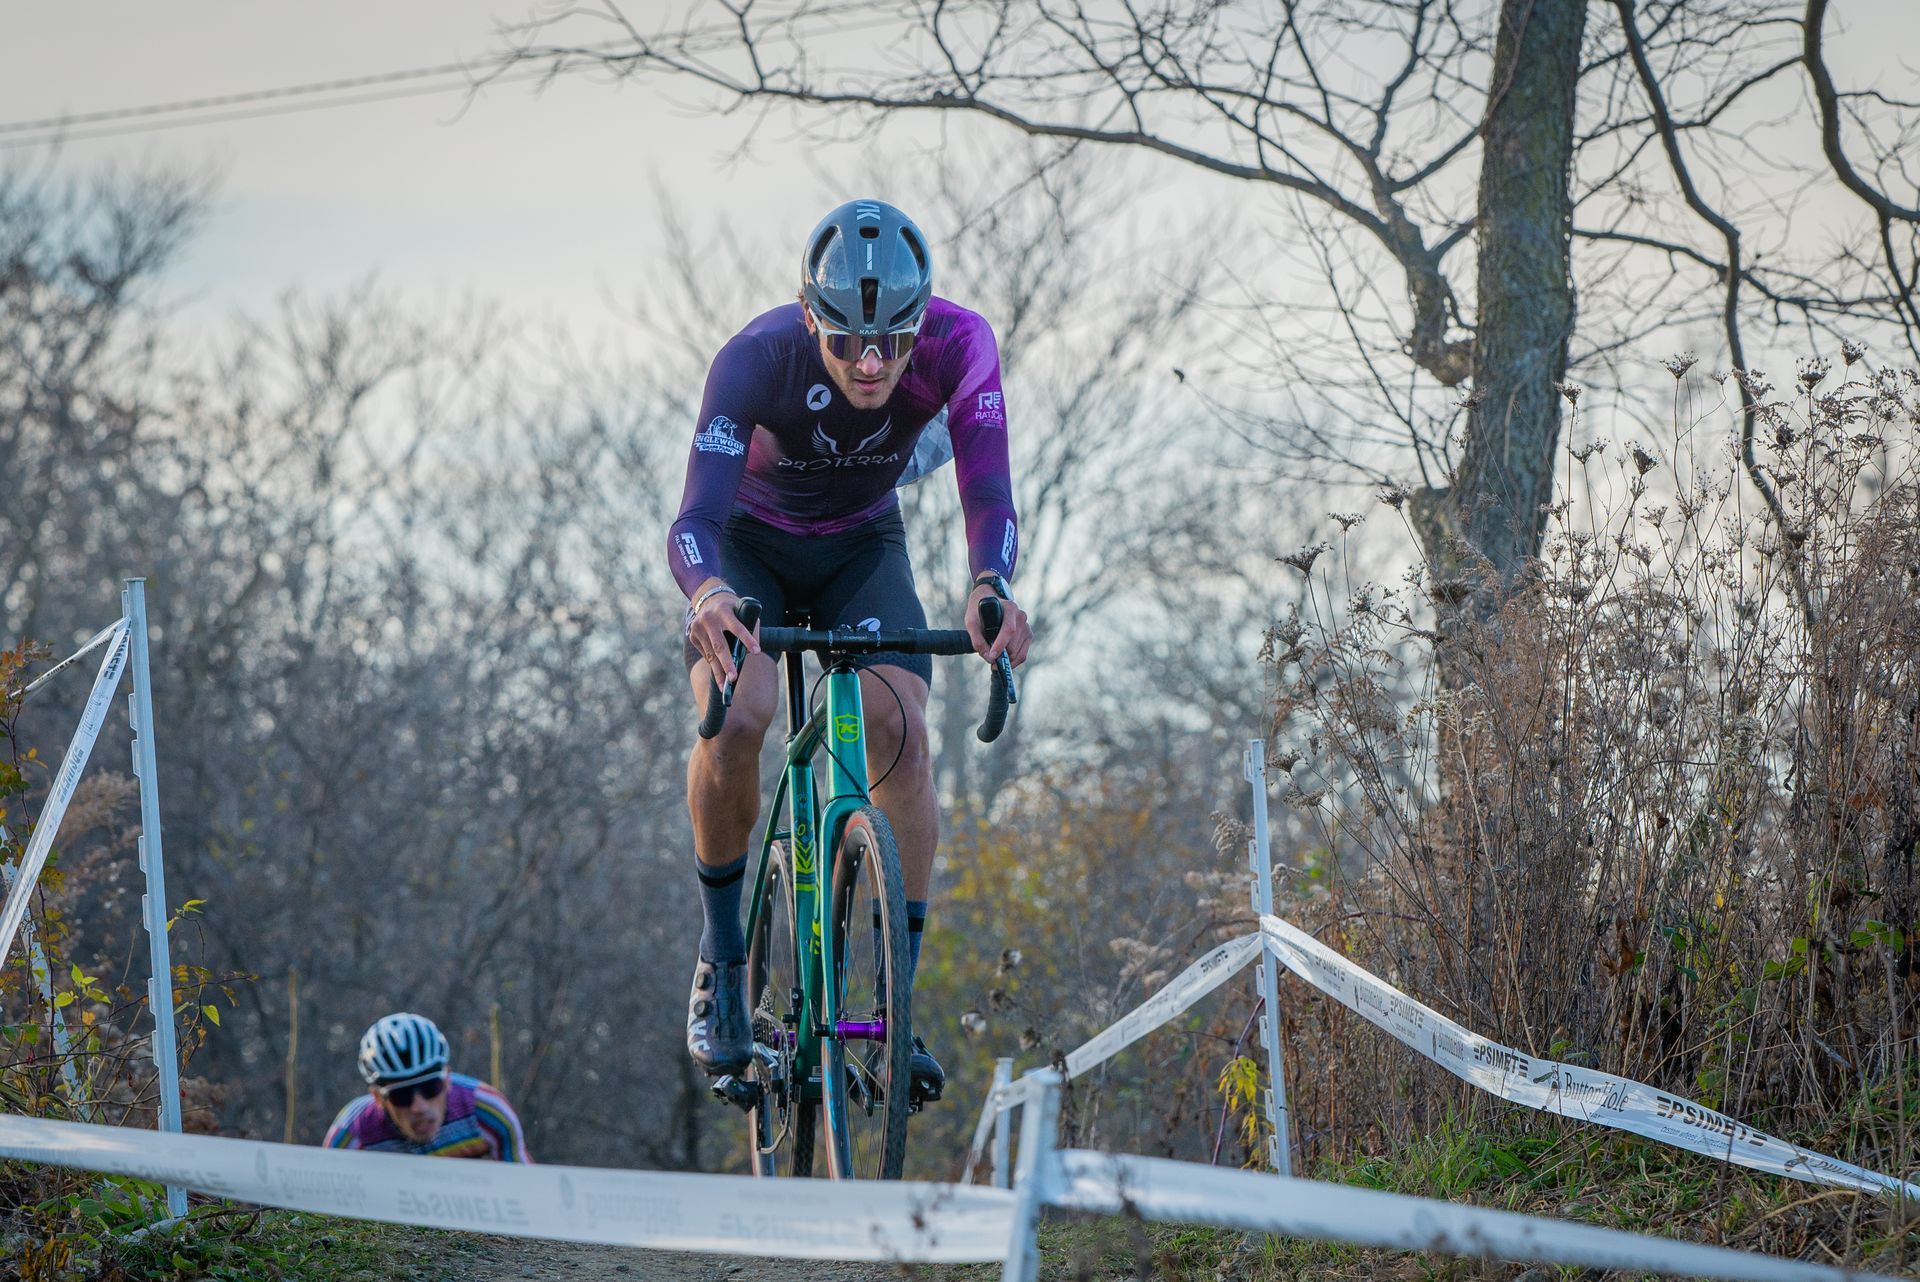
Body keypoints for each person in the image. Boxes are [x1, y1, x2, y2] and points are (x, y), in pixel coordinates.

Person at [670, 197, 1032, 1103]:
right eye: (847, 343)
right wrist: (708, 593)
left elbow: (988, 488)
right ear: (810, 318)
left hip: (861, 547)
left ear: (921, 323)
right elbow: (695, 519)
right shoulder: (757, 357)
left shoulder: (960, 343)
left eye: (893, 343)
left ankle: (894, 999)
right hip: (749, 548)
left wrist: (989, 584)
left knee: (901, 730)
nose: (872, 364)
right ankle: (723, 958)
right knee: (740, 714)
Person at [323, 1011, 531, 1161]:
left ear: (447, 1080)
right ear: (379, 1098)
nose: (419, 1107)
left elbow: (525, 1191)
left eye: (430, 1087)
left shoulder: (487, 1112)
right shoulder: (351, 1134)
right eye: (401, 1095)